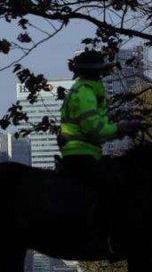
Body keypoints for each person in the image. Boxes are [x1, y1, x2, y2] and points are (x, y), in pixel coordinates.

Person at [58, 49, 142, 254]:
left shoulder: (84, 90)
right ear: (96, 72)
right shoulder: (85, 93)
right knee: (112, 188)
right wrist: (121, 128)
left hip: (85, 152)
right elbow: (93, 128)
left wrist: (121, 130)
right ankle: (107, 238)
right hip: (80, 154)